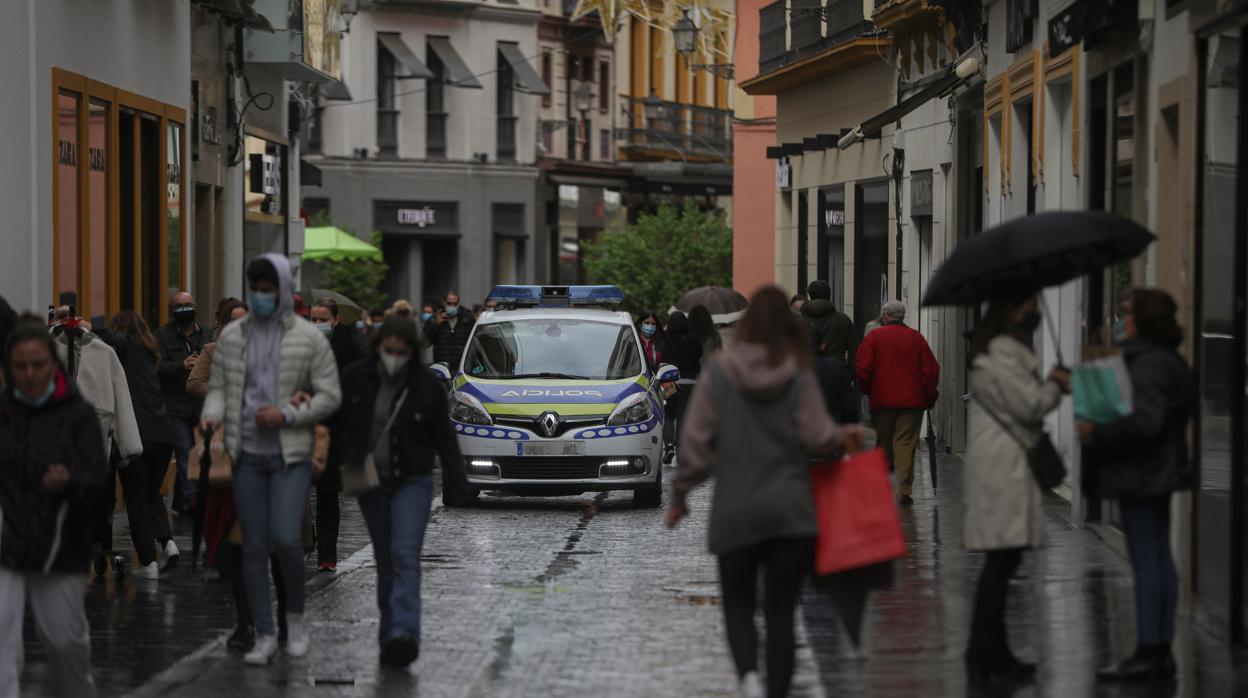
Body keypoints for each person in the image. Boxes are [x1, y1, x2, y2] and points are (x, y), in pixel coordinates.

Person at [668, 286, 864, 698]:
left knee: (738, 605)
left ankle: (749, 680)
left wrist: (681, 494)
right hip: (789, 510)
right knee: (780, 612)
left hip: (735, 510)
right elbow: (818, 435)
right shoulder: (798, 373)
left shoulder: (719, 374)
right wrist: (843, 436)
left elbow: (696, 442)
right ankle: (776, 690)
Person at [200, 254, 342, 666]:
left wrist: (289, 414)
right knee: (252, 545)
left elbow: (330, 395)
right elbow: (219, 387)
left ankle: (294, 620)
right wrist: (212, 412)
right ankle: (264, 633)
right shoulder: (232, 338)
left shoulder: (307, 338)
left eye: (268, 290)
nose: (262, 297)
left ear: (281, 290)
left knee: (285, 537)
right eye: (256, 289)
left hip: (289, 454)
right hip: (245, 453)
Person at [334, 315, 467, 669]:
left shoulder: (426, 386)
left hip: (413, 479)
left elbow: (444, 437)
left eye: (402, 351)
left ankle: (405, 634)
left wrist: (460, 482)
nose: (394, 356)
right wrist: (337, 462)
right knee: (386, 561)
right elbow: (337, 423)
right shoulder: (356, 378)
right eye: (389, 350)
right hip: (372, 483)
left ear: (412, 352)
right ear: (379, 347)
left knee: (405, 554)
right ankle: (389, 634)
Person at [1079, 290, 1193, 681]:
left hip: (1140, 473)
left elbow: (1143, 423)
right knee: (1159, 557)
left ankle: (1149, 649)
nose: (1120, 321)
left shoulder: (1145, 365)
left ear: (1141, 321)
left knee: (1147, 560)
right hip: (1158, 471)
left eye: (1127, 315)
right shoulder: (1170, 361)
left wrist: (1099, 430)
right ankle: (1159, 648)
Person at [962, 295, 1070, 682]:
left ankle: (990, 650)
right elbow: (1028, 406)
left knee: (1002, 562)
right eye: (1026, 306)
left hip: (1002, 462)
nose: (1033, 314)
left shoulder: (998, 350)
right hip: (1003, 466)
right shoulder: (1004, 352)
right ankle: (986, 653)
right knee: (1001, 562)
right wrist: (1056, 385)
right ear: (1011, 313)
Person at [0, 316, 108, 697]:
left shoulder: (77, 414)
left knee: (65, 644)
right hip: (7, 546)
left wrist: (69, 482)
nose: (29, 374)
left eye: (37, 365)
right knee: (2, 645)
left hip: (59, 547)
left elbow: (97, 478)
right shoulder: (5, 411)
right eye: (20, 366)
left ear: (52, 364)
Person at [103, 311, 179, 579]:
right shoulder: (149, 352)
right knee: (150, 494)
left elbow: (111, 341)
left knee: (135, 499)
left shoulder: (124, 348)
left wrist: (88, 328)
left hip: (137, 435)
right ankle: (168, 543)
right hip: (163, 434)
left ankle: (148, 563)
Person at [854, 300, 940, 505]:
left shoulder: (874, 337)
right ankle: (903, 490)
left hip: (882, 399)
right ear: (902, 317)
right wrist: (929, 396)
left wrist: (869, 390)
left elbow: (863, 368)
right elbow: (931, 370)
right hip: (912, 401)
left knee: (883, 442)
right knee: (905, 442)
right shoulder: (915, 338)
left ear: (885, 315)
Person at [310, 298, 366, 572]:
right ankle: (305, 542)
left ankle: (327, 555)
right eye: (313, 319)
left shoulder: (350, 349)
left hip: (334, 431)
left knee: (327, 493)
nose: (317, 324)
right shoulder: (302, 345)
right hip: (303, 425)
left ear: (335, 320)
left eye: (322, 319)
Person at [155, 291, 208, 514]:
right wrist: (182, 365)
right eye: (179, 306)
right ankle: (193, 500)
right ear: (171, 309)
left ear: (195, 306)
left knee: (199, 451)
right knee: (185, 451)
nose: (185, 309)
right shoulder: (162, 335)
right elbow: (157, 367)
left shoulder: (205, 334)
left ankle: (182, 499)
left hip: (200, 403)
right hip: (175, 404)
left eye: (188, 305)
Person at [663, 311, 702, 463]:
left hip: (670, 381)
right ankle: (681, 449)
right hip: (690, 382)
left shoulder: (665, 338)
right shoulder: (693, 338)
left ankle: (669, 446)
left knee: (668, 414)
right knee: (683, 416)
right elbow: (699, 354)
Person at [802, 280, 858, 373]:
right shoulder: (843, 320)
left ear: (810, 295)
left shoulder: (799, 321)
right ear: (829, 295)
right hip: (836, 374)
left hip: (807, 374)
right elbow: (854, 352)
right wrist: (850, 375)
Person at [425, 292, 475, 367]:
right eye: (449, 303)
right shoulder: (435, 317)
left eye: (455, 304)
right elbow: (425, 342)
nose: (452, 306)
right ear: (444, 302)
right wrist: (435, 324)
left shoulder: (467, 317)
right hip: (442, 365)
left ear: (459, 303)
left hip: (462, 365)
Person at [689, 304, 723, 370]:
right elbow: (720, 352)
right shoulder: (714, 334)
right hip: (709, 370)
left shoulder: (689, 335)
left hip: (694, 370)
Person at [636, 309, 669, 373]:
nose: (650, 326)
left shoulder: (661, 343)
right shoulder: (633, 340)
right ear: (640, 324)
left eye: (653, 324)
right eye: (647, 323)